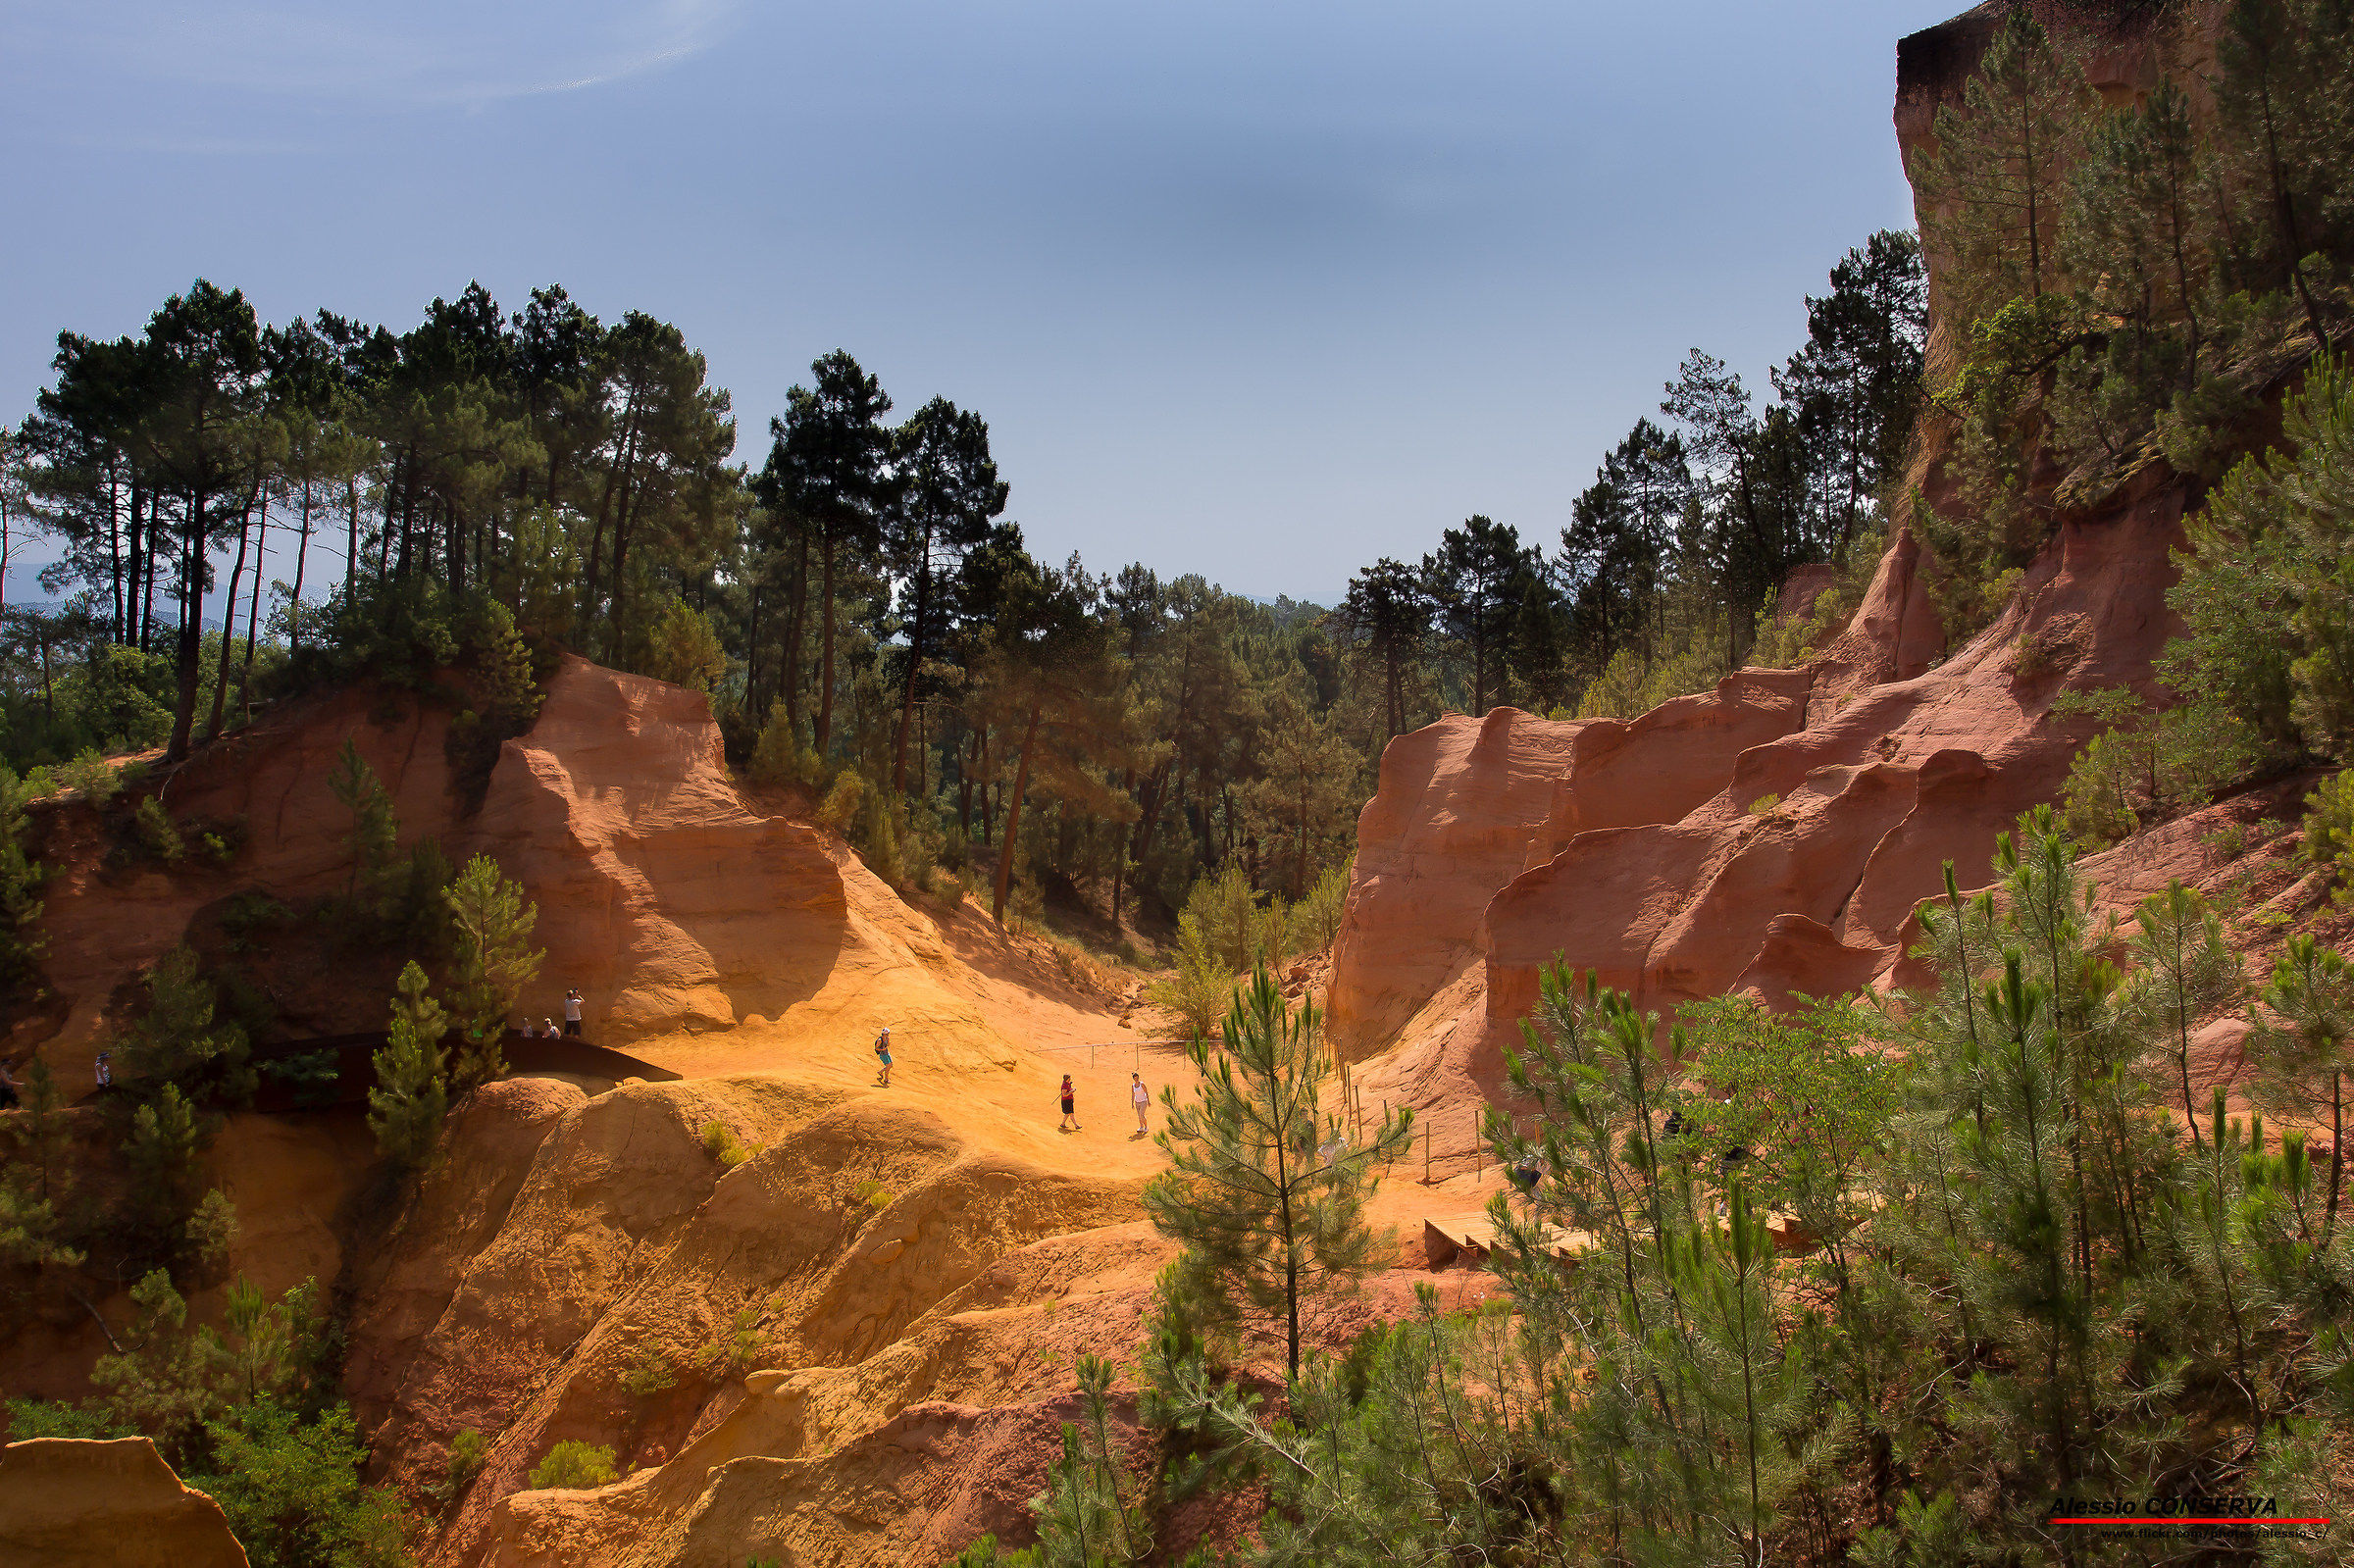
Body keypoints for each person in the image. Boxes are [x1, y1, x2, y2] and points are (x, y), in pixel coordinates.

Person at [1130, 1072, 1151, 1137]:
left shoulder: (1142, 1084)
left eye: (1137, 1078)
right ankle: (1141, 1127)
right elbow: (1133, 1094)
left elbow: (1146, 1092)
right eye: (1135, 1078)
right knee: (1139, 1115)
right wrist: (1132, 1103)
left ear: (1138, 1078)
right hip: (1137, 1102)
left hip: (1143, 1101)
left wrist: (1148, 1101)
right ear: (1133, 1079)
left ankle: (1146, 1127)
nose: (1136, 1079)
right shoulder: (1133, 1086)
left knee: (1142, 1114)